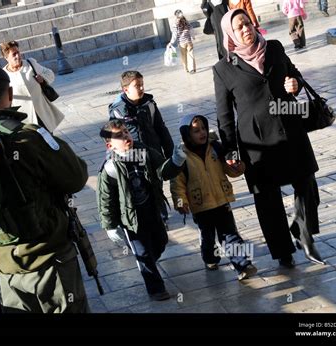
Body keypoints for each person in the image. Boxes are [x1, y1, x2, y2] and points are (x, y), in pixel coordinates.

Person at [0, 65, 89, 312]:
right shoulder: (30, 136)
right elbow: (77, 176)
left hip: (3, 270)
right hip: (49, 263)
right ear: (10, 94)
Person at [213, 9, 326, 268]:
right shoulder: (223, 69)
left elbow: (294, 74)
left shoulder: (273, 48)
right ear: (230, 33)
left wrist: (293, 84)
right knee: (267, 199)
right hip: (257, 143)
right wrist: (230, 150)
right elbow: (224, 114)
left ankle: (303, 231)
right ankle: (283, 251)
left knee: (306, 182)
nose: (246, 29)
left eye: (248, 23)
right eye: (239, 27)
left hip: (290, 129)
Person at [97, 119, 186, 301]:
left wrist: (176, 161)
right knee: (143, 253)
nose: (126, 136)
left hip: (152, 210)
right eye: (119, 135)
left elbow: (163, 171)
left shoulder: (144, 152)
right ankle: (156, 288)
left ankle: (149, 263)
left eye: (126, 132)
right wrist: (110, 225)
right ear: (110, 145)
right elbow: (105, 199)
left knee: (161, 241)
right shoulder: (110, 168)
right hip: (131, 219)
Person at [170, 114, 257, 280]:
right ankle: (210, 258)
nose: (202, 133)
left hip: (221, 200)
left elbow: (230, 169)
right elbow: (177, 184)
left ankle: (243, 264)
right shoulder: (182, 156)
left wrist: (237, 167)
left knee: (230, 234)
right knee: (207, 235)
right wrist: (181, 202)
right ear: (186, 135)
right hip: (200, 205)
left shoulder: (216, 147)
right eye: (196, 131)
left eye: (203, 128)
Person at [109, 70, 174, 221]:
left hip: (153, 153)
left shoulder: (149, 104)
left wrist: (169, 152)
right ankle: (146, 216)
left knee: (156, 183)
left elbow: (161, 128)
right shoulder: (118, 110)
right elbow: (114, 136)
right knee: (141, 185)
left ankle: (161, 216)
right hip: (133, 157)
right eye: (137, 86)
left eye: (142, 85)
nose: (141, 88)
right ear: (126, 90)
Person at [0, 40, 64, 132]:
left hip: (42, 114)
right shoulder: (4, 75)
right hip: (25, 120)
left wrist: (43, 79)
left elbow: (50, 74)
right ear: (6, 57)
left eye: (18, 52)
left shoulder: (30, 64)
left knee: (50, 141)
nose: (18, 56)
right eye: (14, 54)